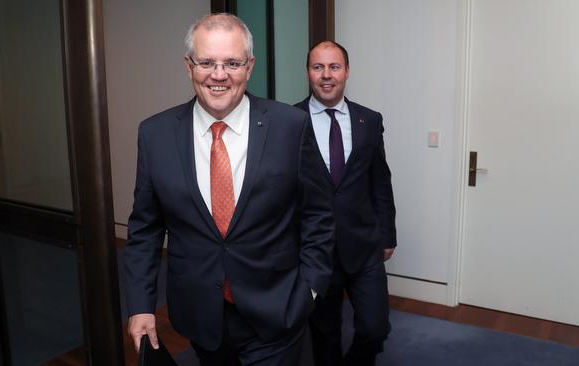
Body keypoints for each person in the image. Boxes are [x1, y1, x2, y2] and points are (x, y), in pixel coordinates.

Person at [124, 14, 334, 366]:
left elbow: (318, 213)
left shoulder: (291, 126)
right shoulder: (155, 134)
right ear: (188, 65)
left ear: (249, 67)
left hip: (278, 310)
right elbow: (145, 229)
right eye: (206, 62)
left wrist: (309, 289)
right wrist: (141, 305)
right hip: (200, 315)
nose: (219, 75)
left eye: (232, 63)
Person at [294, 41, 397, 366]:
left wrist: (387, 234)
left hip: (364, 244)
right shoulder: (287, 121)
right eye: (318, 67)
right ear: (309, 72)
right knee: (325, 335)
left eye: (334, 67)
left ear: (347, 72)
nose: (326, 75)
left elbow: (380, 180)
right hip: (313, 249)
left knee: (375, 327)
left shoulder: (369, 120)